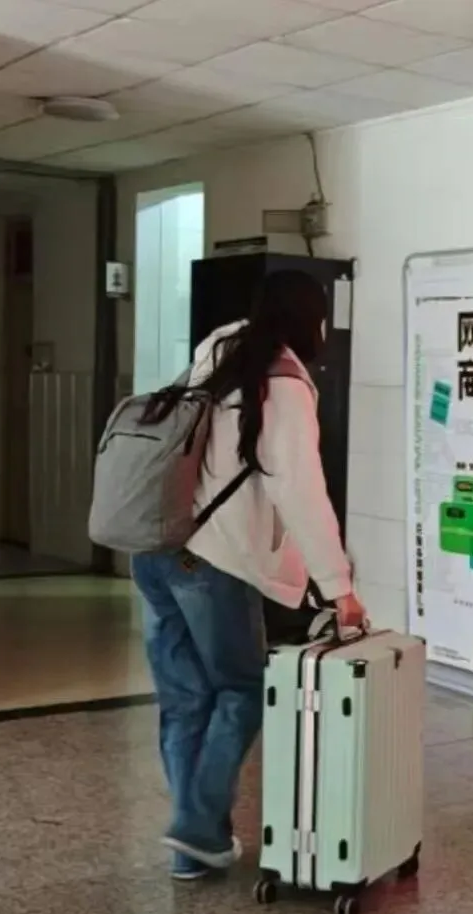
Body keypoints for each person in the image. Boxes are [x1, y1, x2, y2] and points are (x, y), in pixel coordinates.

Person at [130, 269, 365, 881]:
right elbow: (301, 491)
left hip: (155, 548)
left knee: (185, 700)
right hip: (211, 562)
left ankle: (193, 849)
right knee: (241, 690)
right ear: (310, 321)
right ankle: (195, 826)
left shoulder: (218, 351)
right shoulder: (283, 383)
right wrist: (338, 588)